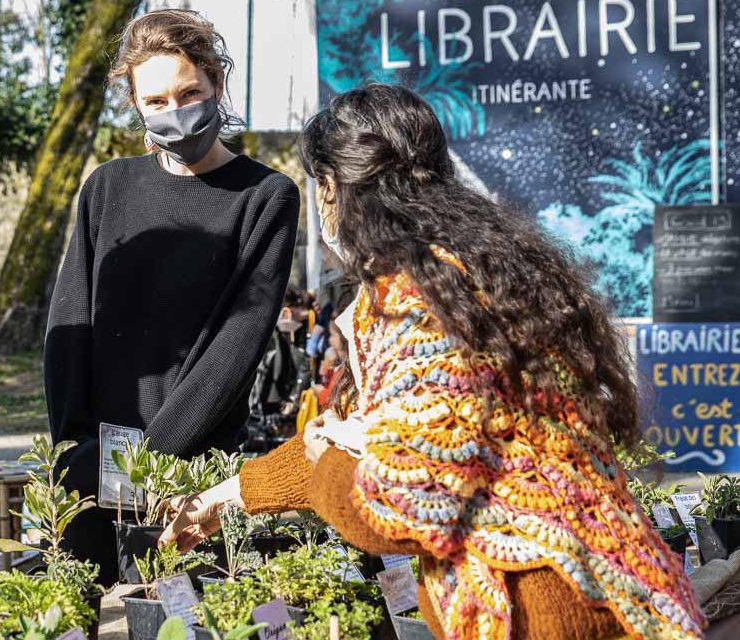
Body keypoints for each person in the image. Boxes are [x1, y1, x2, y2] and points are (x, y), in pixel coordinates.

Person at [159, 84, 703, 639]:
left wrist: (327, 470)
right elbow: (361, 434)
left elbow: (401, 500)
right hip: (594, 587)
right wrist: (221, 499)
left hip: (550, 604)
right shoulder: (467, 274)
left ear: (332, 190)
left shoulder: (422, 304)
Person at [44, 9, 300, 586]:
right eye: (156, 101)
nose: (175, 112)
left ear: (217, 83)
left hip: (192, 475)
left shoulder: (265, 197)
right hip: (93, 464)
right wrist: (73, 451)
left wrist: (150, 464)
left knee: (182, 617)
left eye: (189, 93)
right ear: (135, 104)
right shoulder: (108, 188)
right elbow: (70, 320)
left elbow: (236, 347)